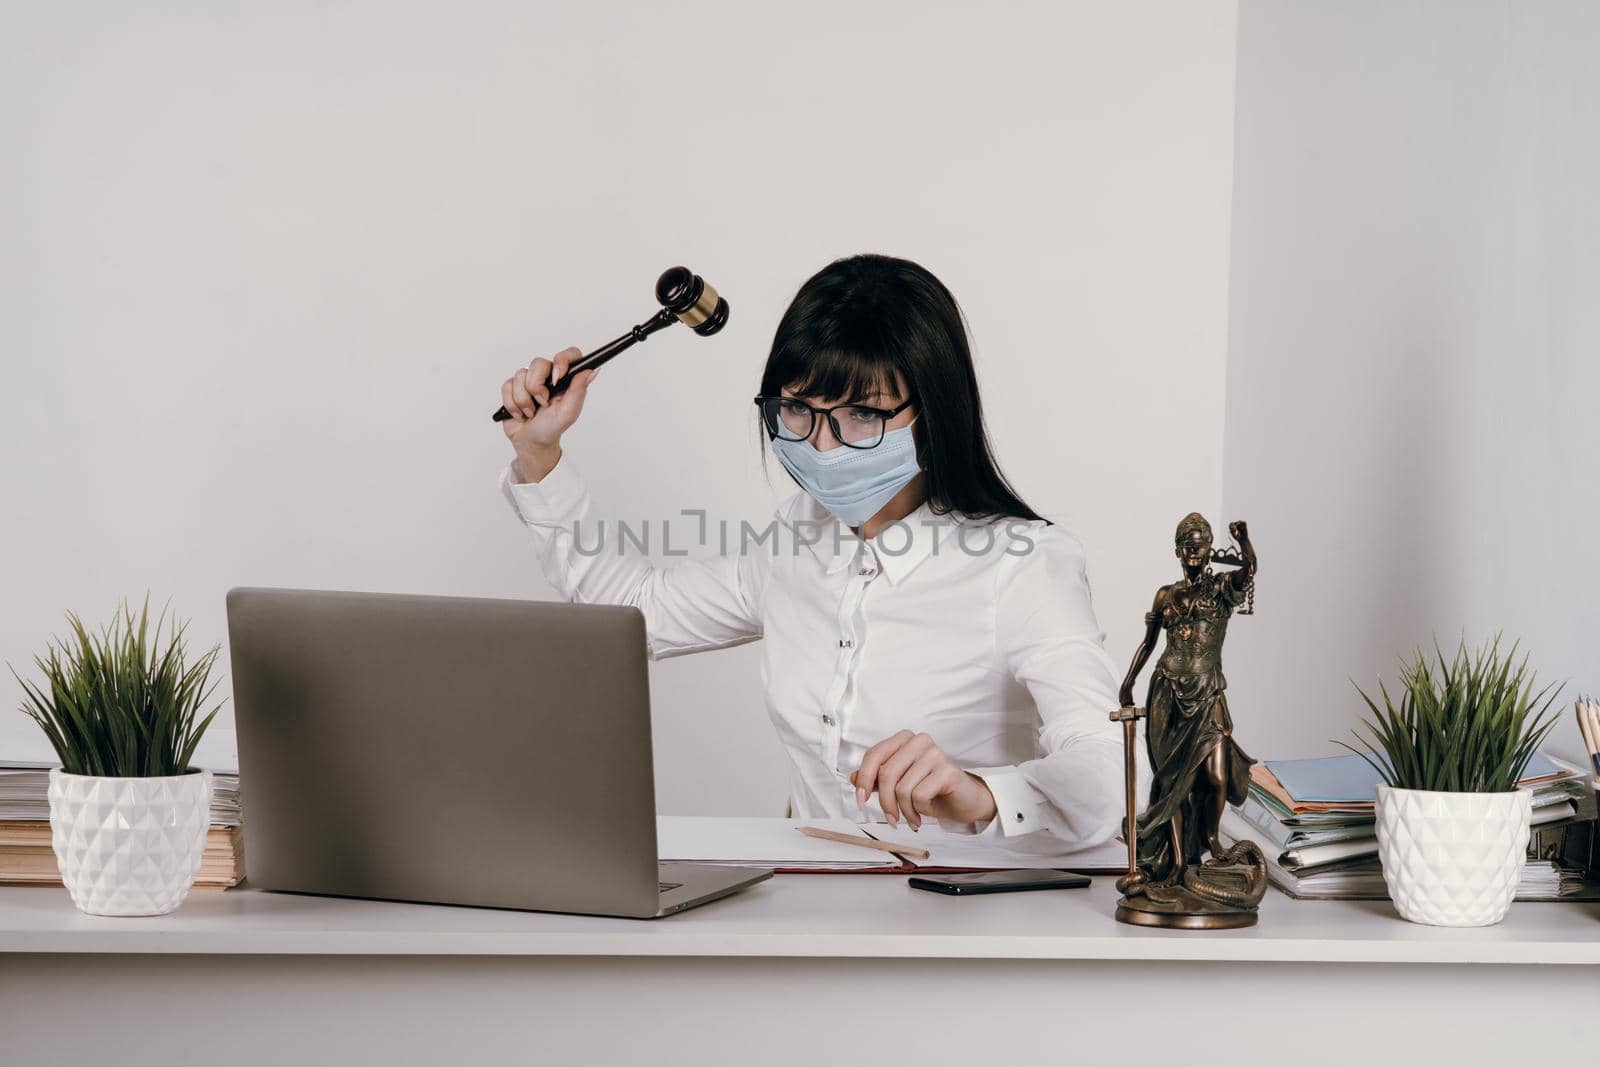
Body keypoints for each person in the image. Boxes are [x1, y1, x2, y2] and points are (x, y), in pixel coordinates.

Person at [495, 253, 1144, 848]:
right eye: (799, 410)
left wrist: (980, 795)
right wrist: (540, 453)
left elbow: (1113, 766)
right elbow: (633, 611)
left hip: (965, 929)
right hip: (806, 912)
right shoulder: (794, 539)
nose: (823, 448)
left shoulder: (1022, 565)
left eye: (862, 413)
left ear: (935, 412)